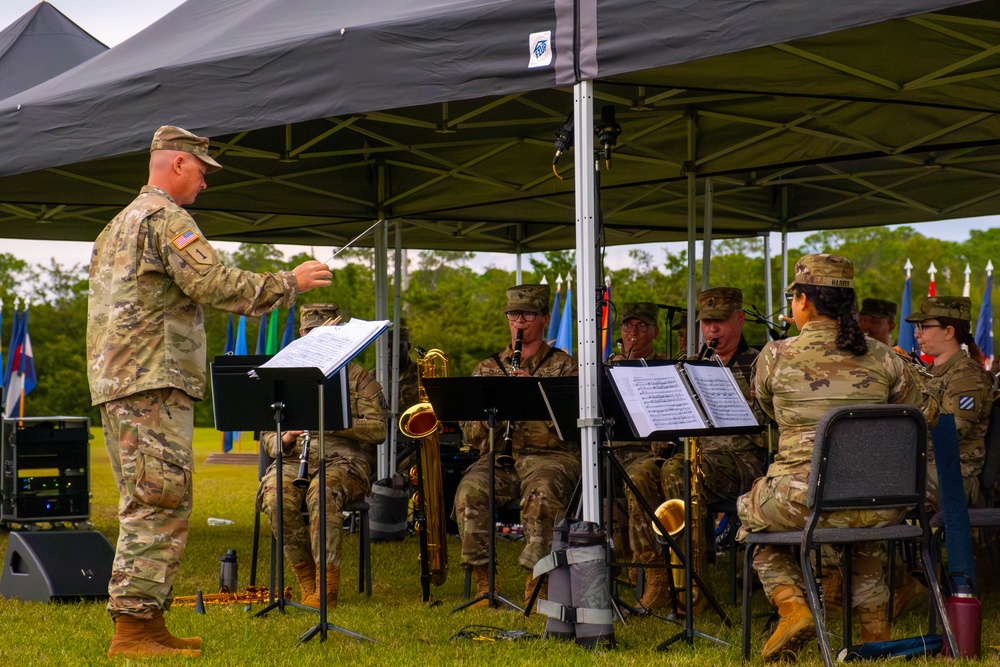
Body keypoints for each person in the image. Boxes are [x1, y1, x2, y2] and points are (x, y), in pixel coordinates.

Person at [87, 125, 332, 659]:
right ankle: (132, 633)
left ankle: (147, 624)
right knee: (158, 502)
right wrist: (289, 281)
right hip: (151, 381)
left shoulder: (116, 225)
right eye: (201, 171)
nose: (204, 183)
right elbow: (212, 283)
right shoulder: (167, 219)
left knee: (149, 499)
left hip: (123, 381)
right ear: (177, 163)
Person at [737, 254, 937, 661]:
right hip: (886, 502)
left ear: (804, 301)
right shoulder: (884, 357)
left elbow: (764, 411)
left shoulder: (774, 356)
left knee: (748, 512)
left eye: (793, 297)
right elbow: (926, 413)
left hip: (806, 502)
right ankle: (874, 632)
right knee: (857, 527)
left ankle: (793, 606)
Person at [453, 284, 578, 606]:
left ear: (544, 319)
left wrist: (532, 396)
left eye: (528, 315)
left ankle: (538, 581)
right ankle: (485, 583)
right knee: (469, 490)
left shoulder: (566, 367)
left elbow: (574, 426)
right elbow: (471, 435)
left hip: (551, 457)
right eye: (513, 315)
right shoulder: (487, 368)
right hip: (499, 456)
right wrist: (491, 412)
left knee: (543, 495)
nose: (519, 322)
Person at [258, 304, 387, 609]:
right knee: (276, 497)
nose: (315, 338)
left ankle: (327, 587)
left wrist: (335, 422)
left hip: (345, 463)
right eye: (309, 333)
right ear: (301, 335)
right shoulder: (285, 372)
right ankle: (307, 580)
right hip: (294, 460)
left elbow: (379, 430)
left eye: (323, 333)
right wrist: (285, 437)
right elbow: (267, 436)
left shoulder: (358, 376)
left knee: (323, 492)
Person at [659, 287, 766, 613]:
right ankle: (657, 577)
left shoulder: (760, 362)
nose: (712, 330)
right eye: (706, 323)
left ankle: (692, 590)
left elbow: (773, 421)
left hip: (744, 460)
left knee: (678, 471)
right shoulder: (689, 365)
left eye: (719, 321)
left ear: (740, 319)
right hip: (694, 456)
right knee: (642, 473)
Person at [891, 297, 994, 617]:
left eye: (924, 327)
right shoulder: (932, 371)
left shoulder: (968, 376)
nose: (917, 333)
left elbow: (953, 433)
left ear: (949, 331)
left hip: (954, 475)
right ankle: (896, 581)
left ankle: (906, 584)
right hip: (925, 468)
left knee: (881, 497)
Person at [606, 302, 672, 611]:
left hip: (647, 451)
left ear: (655, 332)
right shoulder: (608, 367)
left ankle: (651, 571)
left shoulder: (666, 367)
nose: (633, 332)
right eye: (627, 326)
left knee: (638, 479)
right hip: (611, 447)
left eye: (641, 326)